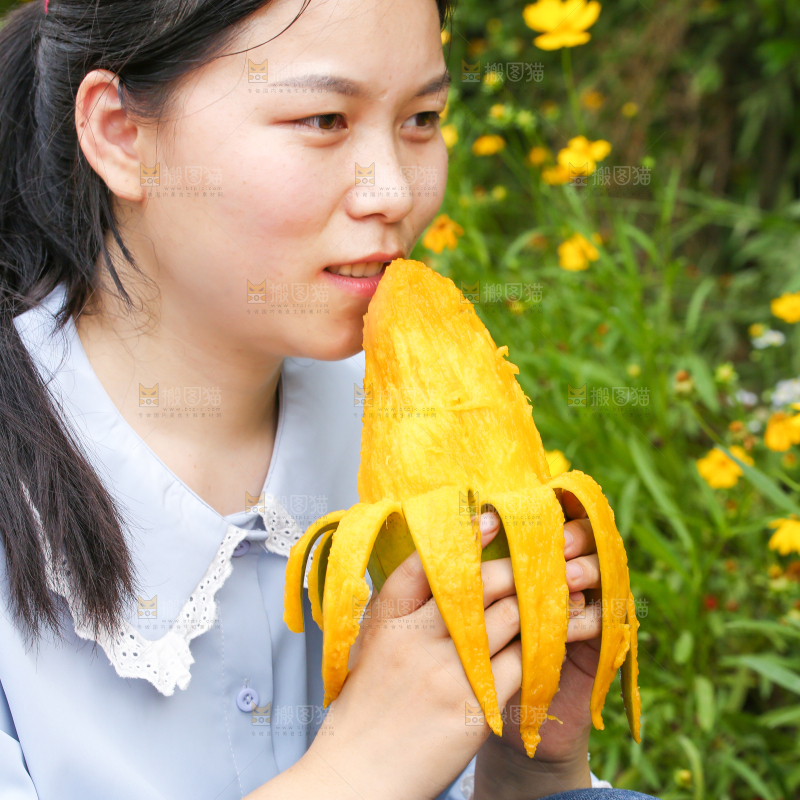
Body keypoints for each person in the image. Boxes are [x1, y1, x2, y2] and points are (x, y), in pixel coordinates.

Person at [0, 0, 660, 797]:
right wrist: (359, 769)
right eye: (323, 120)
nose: (394, 192)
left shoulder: (411, 427)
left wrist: (528, 771)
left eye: (422, 119)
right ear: (121, 135)